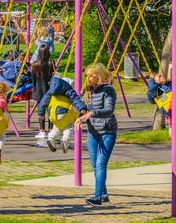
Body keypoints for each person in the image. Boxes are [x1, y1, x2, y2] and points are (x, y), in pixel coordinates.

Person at [75, 63, 117, 207]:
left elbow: (109, 110)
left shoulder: (108, 90)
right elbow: (83, 108)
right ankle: (104, 196)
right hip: (93, 132)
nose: (88, 78)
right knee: (94, 165)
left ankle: (98, 197)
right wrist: (80, 117)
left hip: (107, 131)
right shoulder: (88, 91)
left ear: (98, 74)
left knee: (100, 164)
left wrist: (92, 113)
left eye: (91, 75)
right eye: (86, 75)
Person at [38, 77, 87, 153]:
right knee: (69, 127)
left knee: (56, 127)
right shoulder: (69, 90)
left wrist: (41, 113)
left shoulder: (50, 92)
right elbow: (75, 99)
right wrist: (82, 108)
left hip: (52, 115)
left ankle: (51, 138)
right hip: (64, 114)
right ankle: (65, 140)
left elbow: (43, 102)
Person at [31, 43, 55, 138]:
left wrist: (35, 87)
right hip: (49, 90)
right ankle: (50, 131)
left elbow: (33, 79)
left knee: (41, 111)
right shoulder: (51, 63)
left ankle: (42, 131)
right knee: (50, 111)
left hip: (39, 91)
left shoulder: (35, 65)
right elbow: (54, 75)